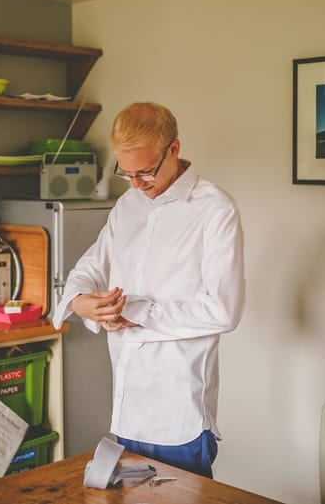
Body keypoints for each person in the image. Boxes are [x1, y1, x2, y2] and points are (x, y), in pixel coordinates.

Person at [52, 101, 246, 478]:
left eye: (145, 172)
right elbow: (90, 266)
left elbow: (224, 310)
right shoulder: (127, 206)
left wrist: (132, 312)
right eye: (127, 174)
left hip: (180, 416)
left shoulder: (215, 210)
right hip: (127, 408)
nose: (138, 184)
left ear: (173, 149)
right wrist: (79, 301)